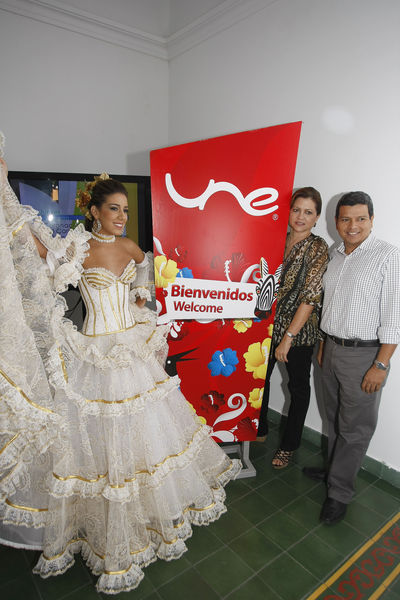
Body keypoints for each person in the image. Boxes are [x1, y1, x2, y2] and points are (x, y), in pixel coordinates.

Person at [0, 154, 241, 594]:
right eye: (114, 209)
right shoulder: (76, 247)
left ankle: (148, 519)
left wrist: (142, 294)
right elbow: (32, 250)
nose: (121, 217)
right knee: (95, 442)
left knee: (147, 437)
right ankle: (103, 529)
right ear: (93, 211)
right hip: (93, 355)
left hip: (132, 350)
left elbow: (143, 272)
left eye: (126, 211)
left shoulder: (131, 247)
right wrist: (6, 197)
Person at [303, 191, 400, 525]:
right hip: (328, 348)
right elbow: (327, 303)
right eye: (346, 219)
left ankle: (339, 492)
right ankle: (333, 470)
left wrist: (382, 364)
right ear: (336, 222)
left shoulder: (388, 256)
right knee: (333, 417)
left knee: (355, 428)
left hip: (364, 355)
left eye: (360, 218)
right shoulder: (335, 253)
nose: (353, 225)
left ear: (372, 219)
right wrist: (322, 341)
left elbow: (394, 315)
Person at [257, 187, 329, 468]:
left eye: (308, 212)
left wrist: (288, 338)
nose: (300, 217)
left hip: (299, 332)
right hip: (265, 327)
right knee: (259, 381)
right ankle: (259, 428)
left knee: (297, 387)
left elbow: (311, 297)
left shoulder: (318, 247)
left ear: (317, 217)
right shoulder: (277, 240)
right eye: (296, 209)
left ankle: (288, 445)